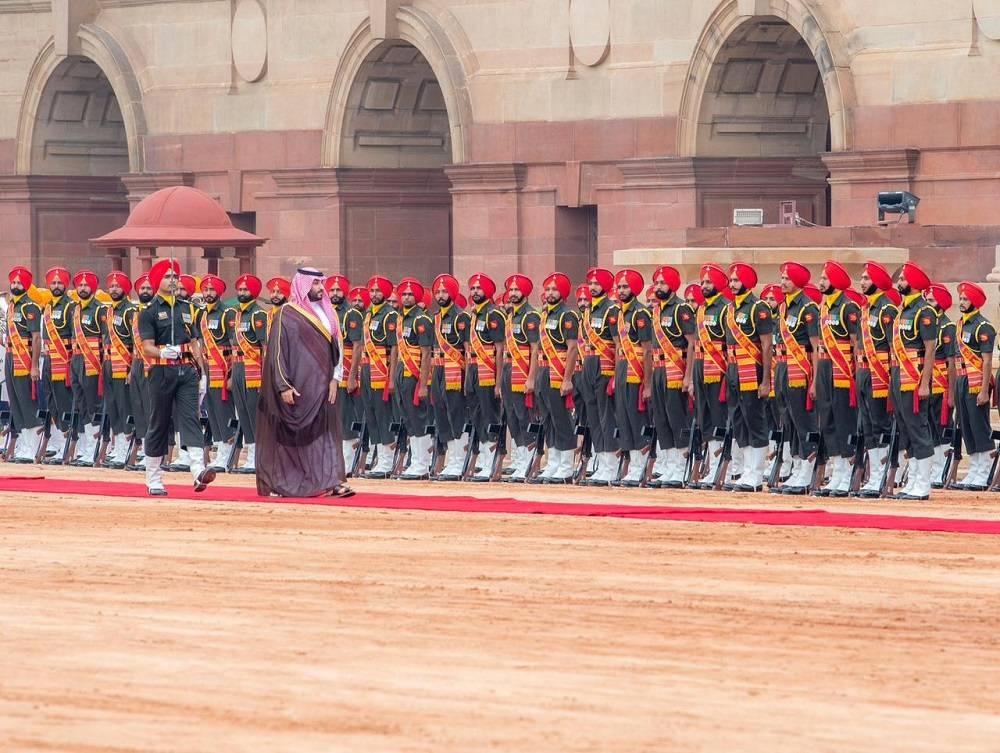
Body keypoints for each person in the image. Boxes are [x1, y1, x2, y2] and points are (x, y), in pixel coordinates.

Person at [256, 268, 353, 498]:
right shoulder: (287, 313)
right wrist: (283, 385)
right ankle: (287, 484)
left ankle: (332, 482)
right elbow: (277, 352)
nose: (320, 288)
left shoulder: (329, 312)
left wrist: (335, 378)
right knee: (294, 437)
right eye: (315, 283)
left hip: (324, 386)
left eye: (321, 283)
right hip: (297, 387)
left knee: (325, 434)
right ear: (303, 285)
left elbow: (337, 348)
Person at [138, 258, 215, 496]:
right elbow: (147, 347)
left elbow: (195, 342)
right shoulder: (148, 312)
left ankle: (198, 470)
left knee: (191, 419)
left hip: (186, 371)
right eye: (168, 276)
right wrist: (162, 352)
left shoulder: (187, 308)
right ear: (157, 281)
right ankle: (154, 478)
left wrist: (202, 372)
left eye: (175, 276)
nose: (173, 280)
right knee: (159, 422)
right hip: (161, 371)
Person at [889, 262, 938, 501]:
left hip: (914, 377)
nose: (899, 282)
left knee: (918, 428)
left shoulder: (924, 311)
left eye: (903, 279)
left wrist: (925, 382)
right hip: (899, 376)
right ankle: (914, 480)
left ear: (914, 284)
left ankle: (923, 484)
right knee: (906, 428)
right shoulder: (903, 310)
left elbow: (930, 349)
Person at [812, 261, 860, 497]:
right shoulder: (823, 307)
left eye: (825, 278)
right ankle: (837, 471)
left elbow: (856, 343)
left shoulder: (848, 307)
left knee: (843, 421)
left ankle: (847, 471)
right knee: (828, 420)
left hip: (842, 371)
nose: (820, 282)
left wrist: (855, 373)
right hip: (824, 367)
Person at [724, 262, 773, 492]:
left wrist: (766, 380)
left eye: (736, 280)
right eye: (731, 280)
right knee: (738, 419)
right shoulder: (730, 309)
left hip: (751, 369)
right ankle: (747, 469)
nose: (732, 284)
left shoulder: (758, 307)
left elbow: (766, 345)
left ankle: (756, 473)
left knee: (754, 418)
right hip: (733, 368)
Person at [528, 272, 580, 484]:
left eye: (554, 289)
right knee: (548, 419)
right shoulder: (544, 315)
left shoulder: (568, 316)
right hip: (543, 371)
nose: (550, 293)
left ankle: (566, 467)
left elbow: (572, 348)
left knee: (561, 419)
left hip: (558, 373)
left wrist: (567, 379)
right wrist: (533, 378)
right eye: (548, 289)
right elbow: (536, 350)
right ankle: (553, 463)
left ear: (563, 293)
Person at [648, 265, 696, 489]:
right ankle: (668, 465)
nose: (658, 287)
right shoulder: (656, 310)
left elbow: (692, 343)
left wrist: (689, 376)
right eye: (657, 283)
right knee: (661, 418)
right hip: (658, 369)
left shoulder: (681, 309)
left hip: (675, 369)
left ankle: (680, 466)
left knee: (676, 417)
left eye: (663, 283)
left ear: (672, 286)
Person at [952, 282, 995, 491]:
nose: (961, 302)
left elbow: (987, 361)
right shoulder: (960, 324)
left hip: (976, 381)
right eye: (960, 298)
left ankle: (984, 471)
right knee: (966, 426)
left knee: (979, 426)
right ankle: (975, 469)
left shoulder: (983, 326)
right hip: (961, 379)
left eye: (965, 299)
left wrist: (984, 390)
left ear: (975, 302)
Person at [611, 268, 653, 486]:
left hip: (636, 372)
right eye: (619, 287)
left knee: (636, 419)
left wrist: (647, 384)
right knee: (624, 419)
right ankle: (633, 465)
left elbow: (647, 350)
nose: (621, 290)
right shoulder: (620, 313)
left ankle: (640, 467)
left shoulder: (640, 313)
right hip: (622, 370)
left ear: (634, 289)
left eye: (625, 287)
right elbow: (618, 347)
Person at [578, 267, 619, 484]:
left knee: (606, 416)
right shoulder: (588, 311)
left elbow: (619, 345)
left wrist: (616, 375)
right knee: (593, 416)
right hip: (589, 362)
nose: (592, 287)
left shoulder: (611, 310)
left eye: (596, 284)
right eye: (590, 284)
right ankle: (602, 463)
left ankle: (611, 465)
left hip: (605, 365)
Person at [691, 264, 730, 488]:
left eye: (708, 282)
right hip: (700, 367)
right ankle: (712, 466)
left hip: (718, 369)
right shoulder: (701, 309)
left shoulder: (725, 308)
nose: (704, 286)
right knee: (705, 417)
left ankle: (724, 467)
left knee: (718, 417)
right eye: (703, 282)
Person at [392, 278, 435, 480]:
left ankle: (422, 464)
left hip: (415, 375)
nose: (406, 297)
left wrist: (423, 384)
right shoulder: (401, 318)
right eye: (404, 294)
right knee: (408, 418)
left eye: (410, 294)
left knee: (418, 419)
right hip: (402, 372)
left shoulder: (421, 319)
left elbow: (426, 354)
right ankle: (415, 460)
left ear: (416, 297)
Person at [500, 273, 541, 482]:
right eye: (511, 290)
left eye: (517, 290)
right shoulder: (511, 316)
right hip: (509, 369)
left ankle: (529, 461)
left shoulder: (530, 316)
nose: (513, 293)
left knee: (524, 417)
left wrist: (531, 378)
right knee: (512, 417)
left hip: (522, 370)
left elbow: (535, 349)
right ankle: (520, 459)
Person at [429, 274, 470, 480]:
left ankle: (459, 460)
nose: (441, 295)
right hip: (438, 370)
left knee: (456, 414)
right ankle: (452, 459)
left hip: (455, 371)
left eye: (444, 292)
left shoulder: (461, 317)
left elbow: (468, 350)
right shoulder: (435, 317)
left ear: (452, 293)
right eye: (438, 292)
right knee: (442, 414)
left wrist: (468, 380)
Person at [358, 275, 399, 478]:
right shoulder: (368, 314)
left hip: (381, 370)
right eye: (372, 291)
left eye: (378, 291)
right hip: (367, 369)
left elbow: (394, 348)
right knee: (371, 413)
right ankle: (379, 457)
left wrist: (391, 379)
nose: (374, 294)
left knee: (383, 415)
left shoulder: (390, 315)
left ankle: (387, 461)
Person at [196, 274, 237, 471]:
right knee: (212, 412)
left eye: (212, 290)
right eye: (206, 290)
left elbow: (236, 346)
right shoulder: (202, 315)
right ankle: (220, 452)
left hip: (223, 370)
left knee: (224, 412)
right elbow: (200, 344)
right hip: (209, 370)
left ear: (219, 292)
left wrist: (232, 375)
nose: (208, 293)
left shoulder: (228, 313)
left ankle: (227, 454)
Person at [466, 273, 505, 480]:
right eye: (472, 288)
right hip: (473, 369)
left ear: (488, 291)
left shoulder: (493, 314)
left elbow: (500, 349)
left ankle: (492, 460)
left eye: (479, 288)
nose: (475, 292)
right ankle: (483, 458)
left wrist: (498, 383)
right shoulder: (475, 314)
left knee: (490, 415)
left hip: (488, 370)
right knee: (477, 415)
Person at [230, 274, 268, 474]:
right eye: (240, 289)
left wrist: (265, 376)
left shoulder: (258, 314)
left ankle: (259, 456)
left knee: (254, 414)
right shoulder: (237, 314)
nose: (242, 292)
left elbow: (265, 348)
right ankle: (251, 453)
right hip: (238, 368)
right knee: (243, 412)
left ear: (253, 292)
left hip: (253, 370)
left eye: (245, 290)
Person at [69, 269, 106, 467]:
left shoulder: (99, 309)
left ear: (93, 288)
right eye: (80, 285)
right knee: (81, 403)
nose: (83, 288)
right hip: (76, 360)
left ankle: (95, 448)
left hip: (92, 362)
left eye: (86, 285)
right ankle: (86, 447)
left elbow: (106, 338)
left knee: (93, 405)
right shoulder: (74, 309)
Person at [327, 275, 365, 467]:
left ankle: (347, 461)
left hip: (344, 369)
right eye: (332, 290)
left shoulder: (352, 314)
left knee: (345, 414)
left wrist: (352, 377)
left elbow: (357, 346)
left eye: (338, 290)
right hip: (327, 370)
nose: (335, 293)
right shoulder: (324, 312)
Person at [5, 266, 42, 462]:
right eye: (14, 282)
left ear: (26, 286)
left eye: (19, 283)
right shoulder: (12, 306)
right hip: (10, 356)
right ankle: (23, 444)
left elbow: (36, 338)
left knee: (27, 402)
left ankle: (31, 448)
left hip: (24, 357)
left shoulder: (30, 306)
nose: (16, 285)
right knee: (15, 401)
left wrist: (34, 365)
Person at [102, 271, 137, 468]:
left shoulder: (130, 311)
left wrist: (132, 369)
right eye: (112, 286)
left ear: (125, 289)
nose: (114, 289)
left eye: (117, 286)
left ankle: (126, 447)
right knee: (113, 405)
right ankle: (118, 445)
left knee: (124, 406)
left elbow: (136, 342)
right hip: (108, 363)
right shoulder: (109, 310)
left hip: (124, 364)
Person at [41, 266, 74, 464]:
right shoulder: (47, 307)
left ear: (66, 285)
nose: (56, 286)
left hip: (64, 360)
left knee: (64, 402)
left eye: (59, 282)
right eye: (53, 283)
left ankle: (69, 445)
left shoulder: (71, 307)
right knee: (51, 401)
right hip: (48, 359)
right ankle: (60, 441)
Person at [924, 283, 957, 486]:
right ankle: (934, 467)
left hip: (941, 384)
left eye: (931, 301)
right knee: (929, 426)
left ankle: (942, 468)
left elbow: (952, 362)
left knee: (941, 426)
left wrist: (951, 392)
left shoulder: (947, 327)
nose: (927, 304)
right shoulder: (929, 324)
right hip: (927, 384)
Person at [127, 273, 155, 469]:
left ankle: (154, 452)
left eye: (148, 288)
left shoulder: (157, 311)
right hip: (137, 363)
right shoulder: (136, 312)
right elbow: (132, 343)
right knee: (139, 408)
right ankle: (146, 450)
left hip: (152, 364)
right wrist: (131, 369)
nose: (145, 291)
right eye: (142, 288)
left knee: (151, 408)